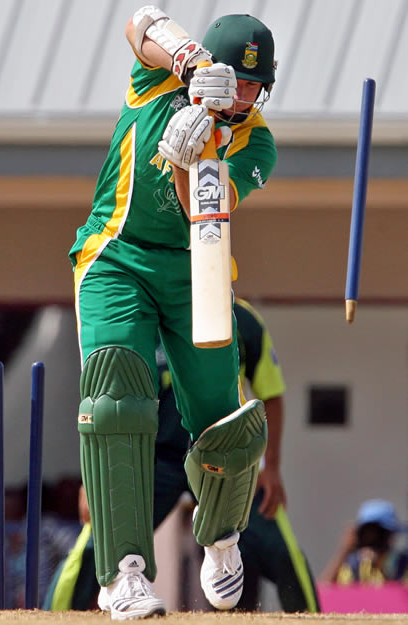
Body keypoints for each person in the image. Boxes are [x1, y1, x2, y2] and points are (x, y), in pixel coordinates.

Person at [70, 4, 278, 618]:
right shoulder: (160, 79)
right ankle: (122, 575)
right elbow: (141, 22)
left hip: (198, 261)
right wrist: (190, 66)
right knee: (116, 397)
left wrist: (195, 150)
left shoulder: (255, 140)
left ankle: (220, 539)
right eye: (232, 80)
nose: (241, 94)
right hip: (117, 254)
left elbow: (204, 213)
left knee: (224, 422)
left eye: (252, 84)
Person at [45, 299, 320, 612]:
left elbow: (270, 394)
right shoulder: (140, 315)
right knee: (99, 544)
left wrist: (272, 467)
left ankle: (311, 618)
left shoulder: (240, 318)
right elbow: (105, 404)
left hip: (220, 457)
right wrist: (93, 477)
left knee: (280, 550)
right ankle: (50, 616)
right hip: (153, 461)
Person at [320, 499, 408, 585]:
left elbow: (399, 595)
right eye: (368, 532)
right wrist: (344, 551)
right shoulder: (353, 564)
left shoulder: (401, 563)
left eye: (381, 534)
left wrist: (380, 568)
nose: (373, 538)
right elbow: (323, 591)